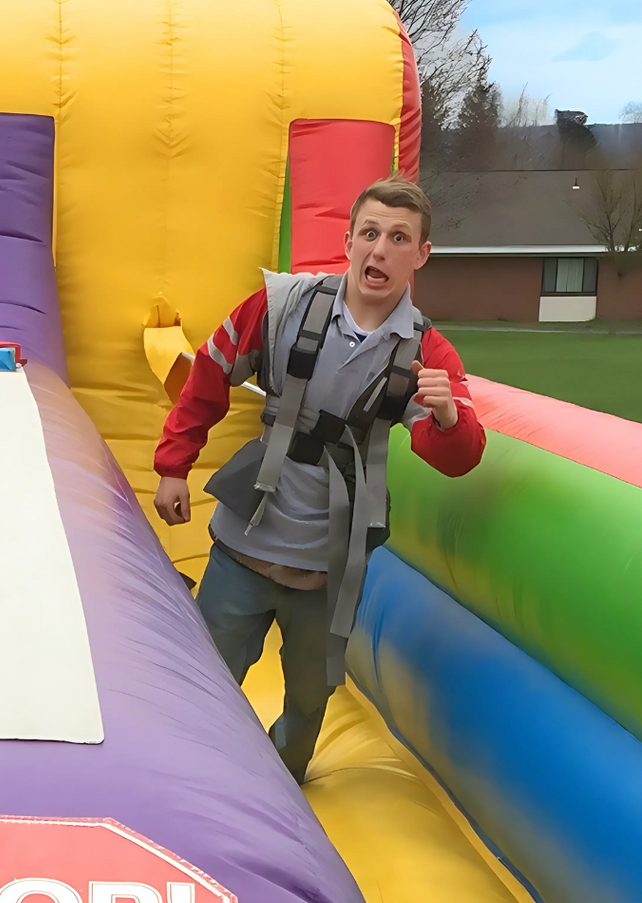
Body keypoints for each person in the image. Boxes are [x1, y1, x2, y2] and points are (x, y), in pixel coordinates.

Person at [153, 176, 485, 780]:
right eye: (370, 233)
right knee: (206, 684)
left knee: (310, 697)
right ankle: (193, 785)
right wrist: (174, 464)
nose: (379, 250)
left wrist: (446, 413)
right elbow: (210, 372)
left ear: (421, 255)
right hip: (243, 548)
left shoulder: (427, 355)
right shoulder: (284, 306)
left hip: (329, 565)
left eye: (398, 238)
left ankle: (282, 792)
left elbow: (458, 455)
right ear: (350, 240)